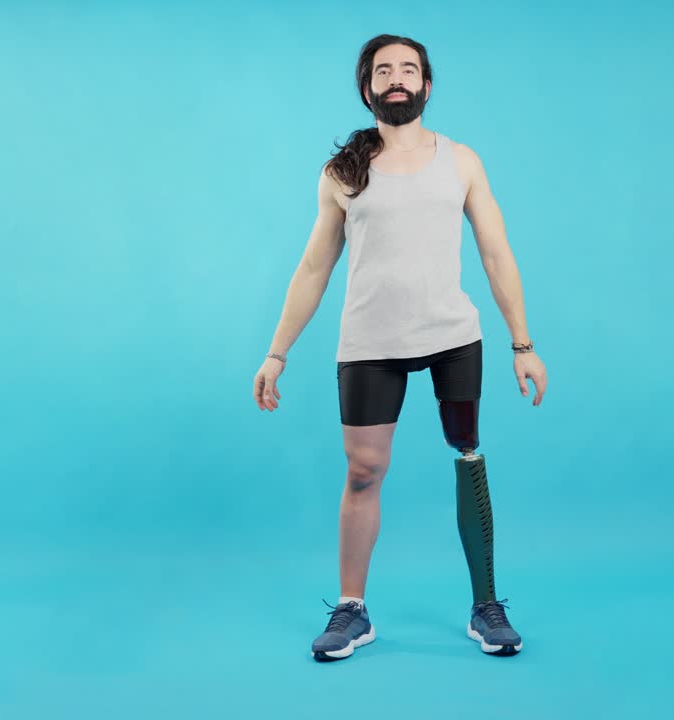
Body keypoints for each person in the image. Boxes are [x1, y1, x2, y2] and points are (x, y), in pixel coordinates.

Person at [252, 33, 548, 662]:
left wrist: (523, 344)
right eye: (382, 71)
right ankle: (352, 611)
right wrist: (276, 353)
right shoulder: (343, 173)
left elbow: (497, 254)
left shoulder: (460, 161)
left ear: (426, 85)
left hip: (451, 338)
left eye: (408, 70)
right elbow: (312, 268)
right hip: (370, 343)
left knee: (468, 453)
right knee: (363, 472)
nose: (396, 79)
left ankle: (486, 607)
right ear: (367, 89)